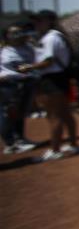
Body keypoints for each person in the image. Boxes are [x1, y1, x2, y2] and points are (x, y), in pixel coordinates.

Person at [18, 10, 78, 161]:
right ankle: (73, 144)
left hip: (52, 79)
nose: (36, 23)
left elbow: (48, 61)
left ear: (50, 21)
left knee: (54, 116)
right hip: (58, 78)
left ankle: (55, 149)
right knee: (64, 113)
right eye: (36, 20)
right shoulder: (54, 36)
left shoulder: (50, 38)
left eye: (40, 20)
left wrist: (29, 67)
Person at [1, 24, 38, 154]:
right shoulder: (5, 51)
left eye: (20, 32)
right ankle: (10, 143)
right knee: (9, 114)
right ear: (7, 36)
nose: (18, 35)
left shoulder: (28, 47)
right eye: (14, 33)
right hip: (9, 84)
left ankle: (21, 139)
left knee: (21, 113)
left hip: (26, 82)